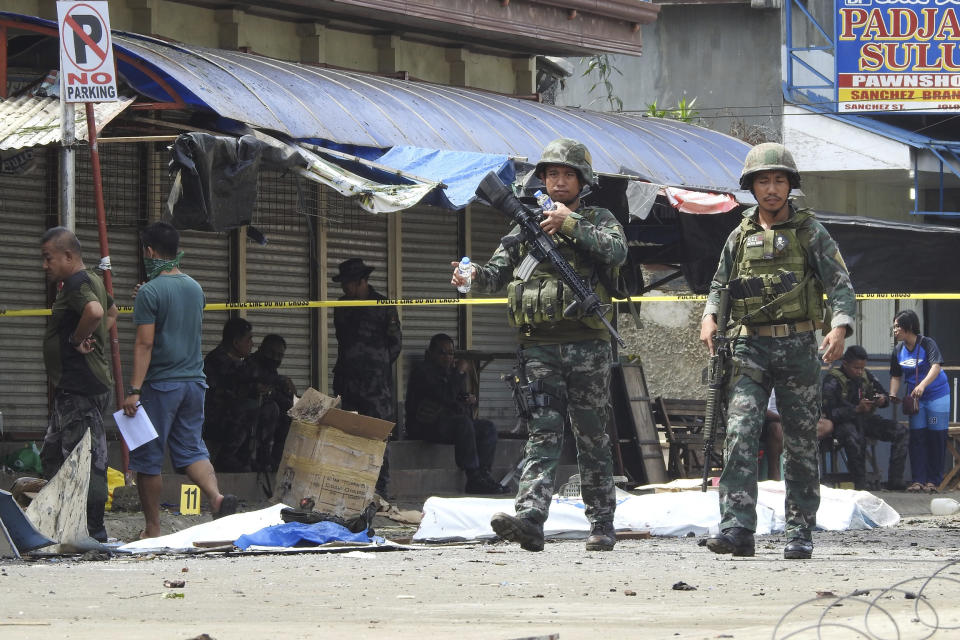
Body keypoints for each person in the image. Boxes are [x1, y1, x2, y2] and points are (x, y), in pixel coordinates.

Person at [451, 138, 626, 552]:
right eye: (552, 175)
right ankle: (530, 518)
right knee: (543, 432)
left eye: (567, 175)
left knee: (591, 436)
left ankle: (601, 523)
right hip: (539, 348)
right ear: (542, 180)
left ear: (582, 181)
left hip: (588, 346)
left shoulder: (599, 218)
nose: (559, 182)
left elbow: (616, 251)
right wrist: (469, 277)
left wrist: (569, 223)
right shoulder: (524, 223)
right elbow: (496, 272)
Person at [699, 142, 856, 560]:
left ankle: (800, 530)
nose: (771, 188)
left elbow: (840, 282)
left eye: (779, 180)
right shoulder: (740, 234)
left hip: (799, 346)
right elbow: (719, 285)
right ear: (751, 186)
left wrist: (840, 326)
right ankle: (736, 528)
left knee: (800, 440)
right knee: (740, 431)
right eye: (763, 180)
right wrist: (710, 316)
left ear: (790, 185)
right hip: (750, 345)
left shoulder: (809, 231)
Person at [121, 221, 236, 538]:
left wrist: (133, 390)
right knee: (192, 450)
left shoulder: (151, 292)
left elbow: (144, 343)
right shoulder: (195, 287)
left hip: (161, 384)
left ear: (149, 252)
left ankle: (152, 528)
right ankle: (216, 497)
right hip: (194, 383)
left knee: (147, 458)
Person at [39, 227, 119, 543]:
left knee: (84, 457)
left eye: (48, 258)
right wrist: (91, 336)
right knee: (53, 456)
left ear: (68, 256)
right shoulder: (91, 281)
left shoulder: (78, 283)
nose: (44, 265)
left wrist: (76, 339)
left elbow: (97, 311)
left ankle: (92, 532)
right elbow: (111, 312)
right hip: (72, 387)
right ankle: (55, 526)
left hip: (81, 386)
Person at [332, 257, 401, 498]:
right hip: (348, 382)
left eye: (349, 283)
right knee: (347, 435)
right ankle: (352, 485)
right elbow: (343, 339)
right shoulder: (341, 305)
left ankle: (380, 488)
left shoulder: (383, 305)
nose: (345, 289)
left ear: (362, 282)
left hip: (376, 386)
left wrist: (376, 366)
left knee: (378, 436)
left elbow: (395, 344)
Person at [405, 333, 504, 494]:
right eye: (442, 353)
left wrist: (466, 399)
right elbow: (445, 396)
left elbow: (455, 399)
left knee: (487, 427)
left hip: (446, 424)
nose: (447, 357)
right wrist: (458, 374)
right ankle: (473, 477)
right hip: (425, 426)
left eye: (450, 353)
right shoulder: (423, 371)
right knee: (463, 424)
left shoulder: (450, 373)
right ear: (430, 354)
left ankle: (483, 475)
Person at [822, 345, 908, 491]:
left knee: (901, 431)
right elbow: (830, 412)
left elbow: (884, 395)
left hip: (865, 420)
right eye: (856, 368)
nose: (860, 371)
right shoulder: (833, 379)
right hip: (842, 424)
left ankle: (895, 481)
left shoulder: (866, 376)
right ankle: (861, 485)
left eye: (862, 368)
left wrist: (881, 400)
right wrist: (855, 409)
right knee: (853, 436)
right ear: (845, 363)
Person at [889, 309, 951, 493]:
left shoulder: (927, 344)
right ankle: (918, 480)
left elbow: (936, 366)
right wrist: (893, 393)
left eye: (897, 326)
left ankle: (933, 481)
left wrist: (923, 385)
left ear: (908, 327)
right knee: (917, 437)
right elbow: (896, 375)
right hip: (917, 403)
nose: (894, 330)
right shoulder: (898, 350)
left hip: (936, 397)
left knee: (935, 436)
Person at [203, 317, 259, 471]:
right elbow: (244, 382)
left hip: (228, 417)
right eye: (248, 340)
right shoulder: (219, 361)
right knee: (248, 408)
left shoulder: (240, 362)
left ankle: (258, 458)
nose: (251, 344)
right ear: (236, 342)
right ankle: (225, 458)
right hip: (215, 419)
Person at [244, 334, 297, 470]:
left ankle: (278, 460)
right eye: (271, 353)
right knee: (272, 408)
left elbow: (279, 392)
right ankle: (263, 457)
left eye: (279, 356)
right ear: (261, 349)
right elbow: (264, 389)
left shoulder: (271, 370)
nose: (275, 358)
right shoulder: (251, 364)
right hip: (248, 413)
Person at [761, 391, 784, 482]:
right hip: (769, 422)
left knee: (827, 425)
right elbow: (762, 410)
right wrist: (783, 418)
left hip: (792, 420)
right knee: (776, 428)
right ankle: (774, 475)